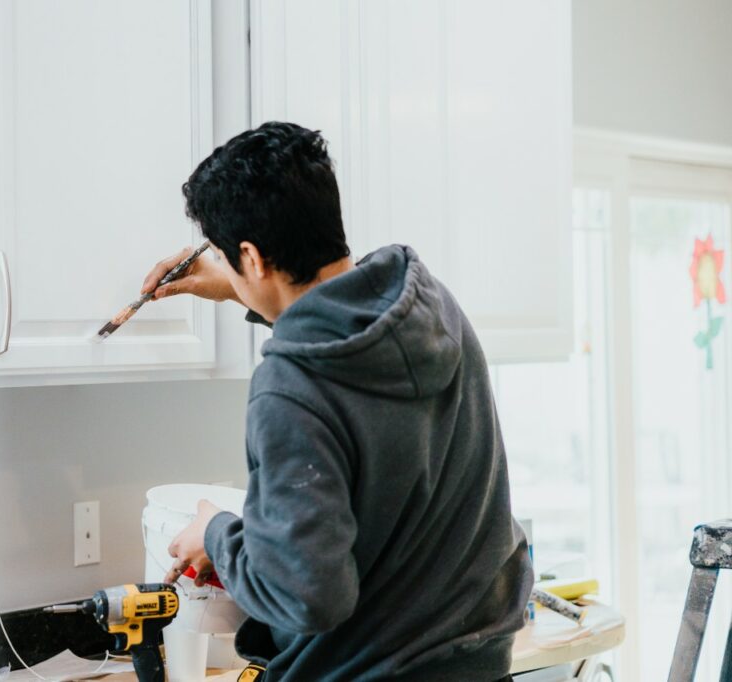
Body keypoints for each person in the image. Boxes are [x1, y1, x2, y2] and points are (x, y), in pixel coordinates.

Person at [148, 121, 532, 681]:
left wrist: (217, 534)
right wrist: (240, 286)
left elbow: (307, 596)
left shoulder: (289, 390)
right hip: (480, 663)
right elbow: (335, 318)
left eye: (229, 258)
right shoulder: (429, 305)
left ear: (253, 257)